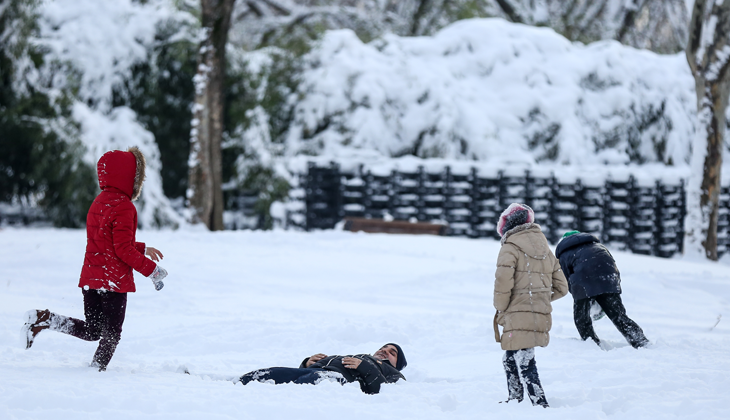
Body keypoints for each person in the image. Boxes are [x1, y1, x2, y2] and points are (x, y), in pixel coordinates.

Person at [21, 147, 169, 371]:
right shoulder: (125, 207)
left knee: (93, 330)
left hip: (92, 279)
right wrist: (152, 271)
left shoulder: (99, 202)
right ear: (130, 178)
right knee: (111, 334)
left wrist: (143, 248)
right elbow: (122, 251)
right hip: (113, 282)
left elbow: (108, 243)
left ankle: (45, 319)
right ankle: (95, 374)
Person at [493, 203, 568, 407]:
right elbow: (562, 287)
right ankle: (515, 399)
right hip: (538, 312)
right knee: (510, 358)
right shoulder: (545, 248)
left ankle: (540, 403)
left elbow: (503, 282)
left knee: (525, 358)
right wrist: (539, 299)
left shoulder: (510, 247)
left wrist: (501, 306)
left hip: (516, 311)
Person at [554, 230, 649, 349]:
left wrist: (582, 299)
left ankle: (592, 344)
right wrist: (613, 288)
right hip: (609, 279)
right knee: (618, 316)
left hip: (584, 281)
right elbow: (612, 266)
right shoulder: (598, 246)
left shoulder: (564, 253)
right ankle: (640, 341)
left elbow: (567, 280)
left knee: (581, 319)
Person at [238, 343, 406, 394]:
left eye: (392, 353)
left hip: (334, 380)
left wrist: (366, 368)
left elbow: (383, 390)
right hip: (316, 371)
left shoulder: (394, 374)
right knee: (271, 373)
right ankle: (235, 384)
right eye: (383, 348)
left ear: (396, 364)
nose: (385, 351)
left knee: (307, 385)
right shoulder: (357, 356)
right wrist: (308, 363)